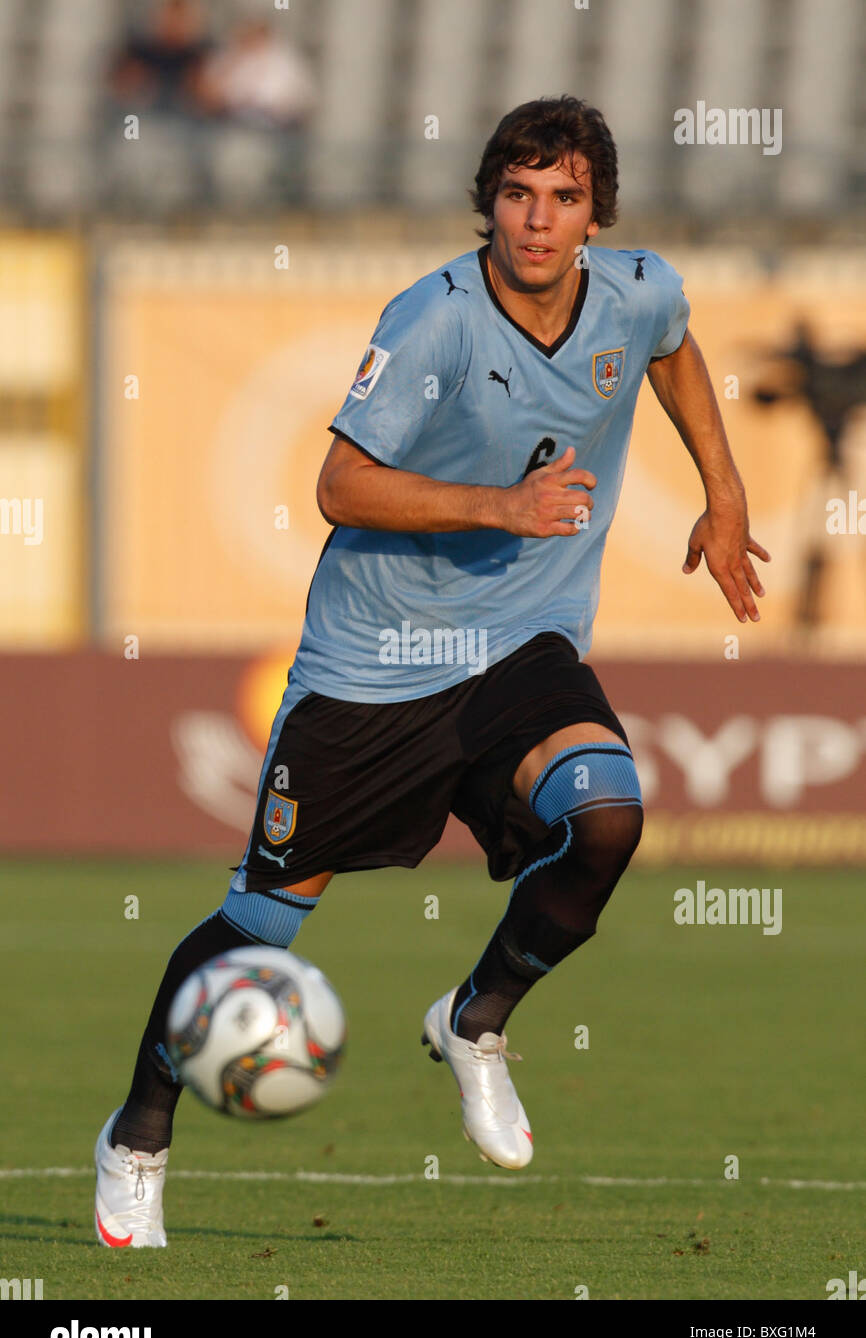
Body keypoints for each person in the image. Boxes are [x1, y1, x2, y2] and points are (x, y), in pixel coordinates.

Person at [94, 96, 769, 1247]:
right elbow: (339, 488)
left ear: (594, 212)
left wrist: (723, 489)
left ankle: (475, 1019)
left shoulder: (639, 287)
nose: (537, 221)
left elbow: (672, 351)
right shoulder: (434, 321)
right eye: (516, 194)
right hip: (374, 661)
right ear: (488, 202)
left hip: (519, 645)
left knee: (605, 814)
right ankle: (139, 1135)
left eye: (562, 198)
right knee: (260, 921)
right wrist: (498, 504)